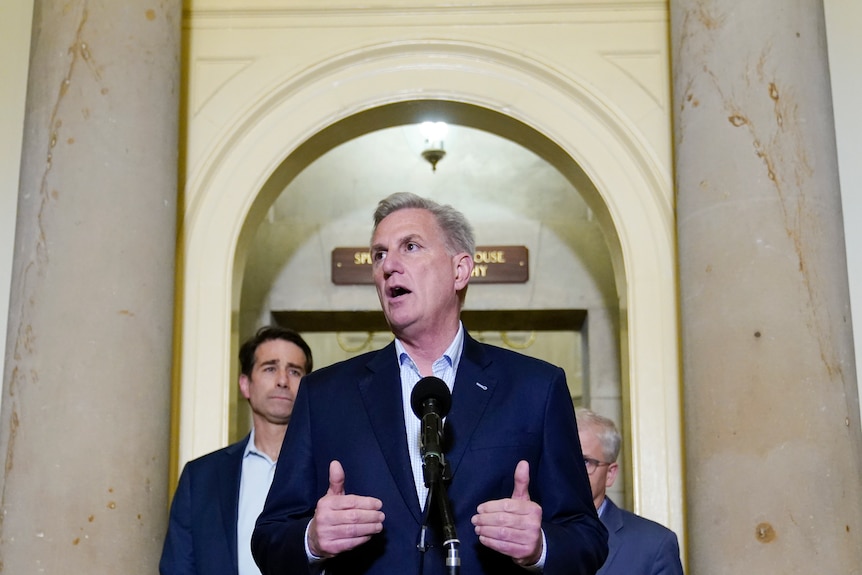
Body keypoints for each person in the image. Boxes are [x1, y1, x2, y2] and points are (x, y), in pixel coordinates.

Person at [252, 192, 608, 575]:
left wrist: (540, 545)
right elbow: (269, 539)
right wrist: (312, 539)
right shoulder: (324, 395)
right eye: (379, 254)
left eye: (410, 247)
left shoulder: (536, 388)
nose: (389, 265)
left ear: (460, 271)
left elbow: (586, 537)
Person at [160, 326, 314, 575]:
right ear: (245, 384)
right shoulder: (200, 478)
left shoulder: (329, 470)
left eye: (295, 371)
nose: (283, 380)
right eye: (270, 368)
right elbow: (178, 567)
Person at [575, 408, 684, 575]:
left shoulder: (654, 545)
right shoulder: (530, 533)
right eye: (562, 459)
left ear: (610, 474)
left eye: (585, 462)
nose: (570, 470)